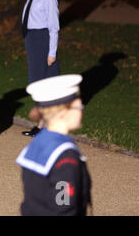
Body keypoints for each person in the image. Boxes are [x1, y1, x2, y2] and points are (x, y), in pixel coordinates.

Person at [16, 74, 92, 216]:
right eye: (79, 106)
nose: (82, 110)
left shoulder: (38, 141)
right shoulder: (65, 155)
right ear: (63, 113)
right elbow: (63, 206)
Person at [21, 0, 60, 137]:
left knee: (42, 84)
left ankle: (45, 125)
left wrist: (51, 52)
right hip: (33, 40)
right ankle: (43, 124)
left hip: (42, 41)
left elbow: (54, 27)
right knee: (37, 84)